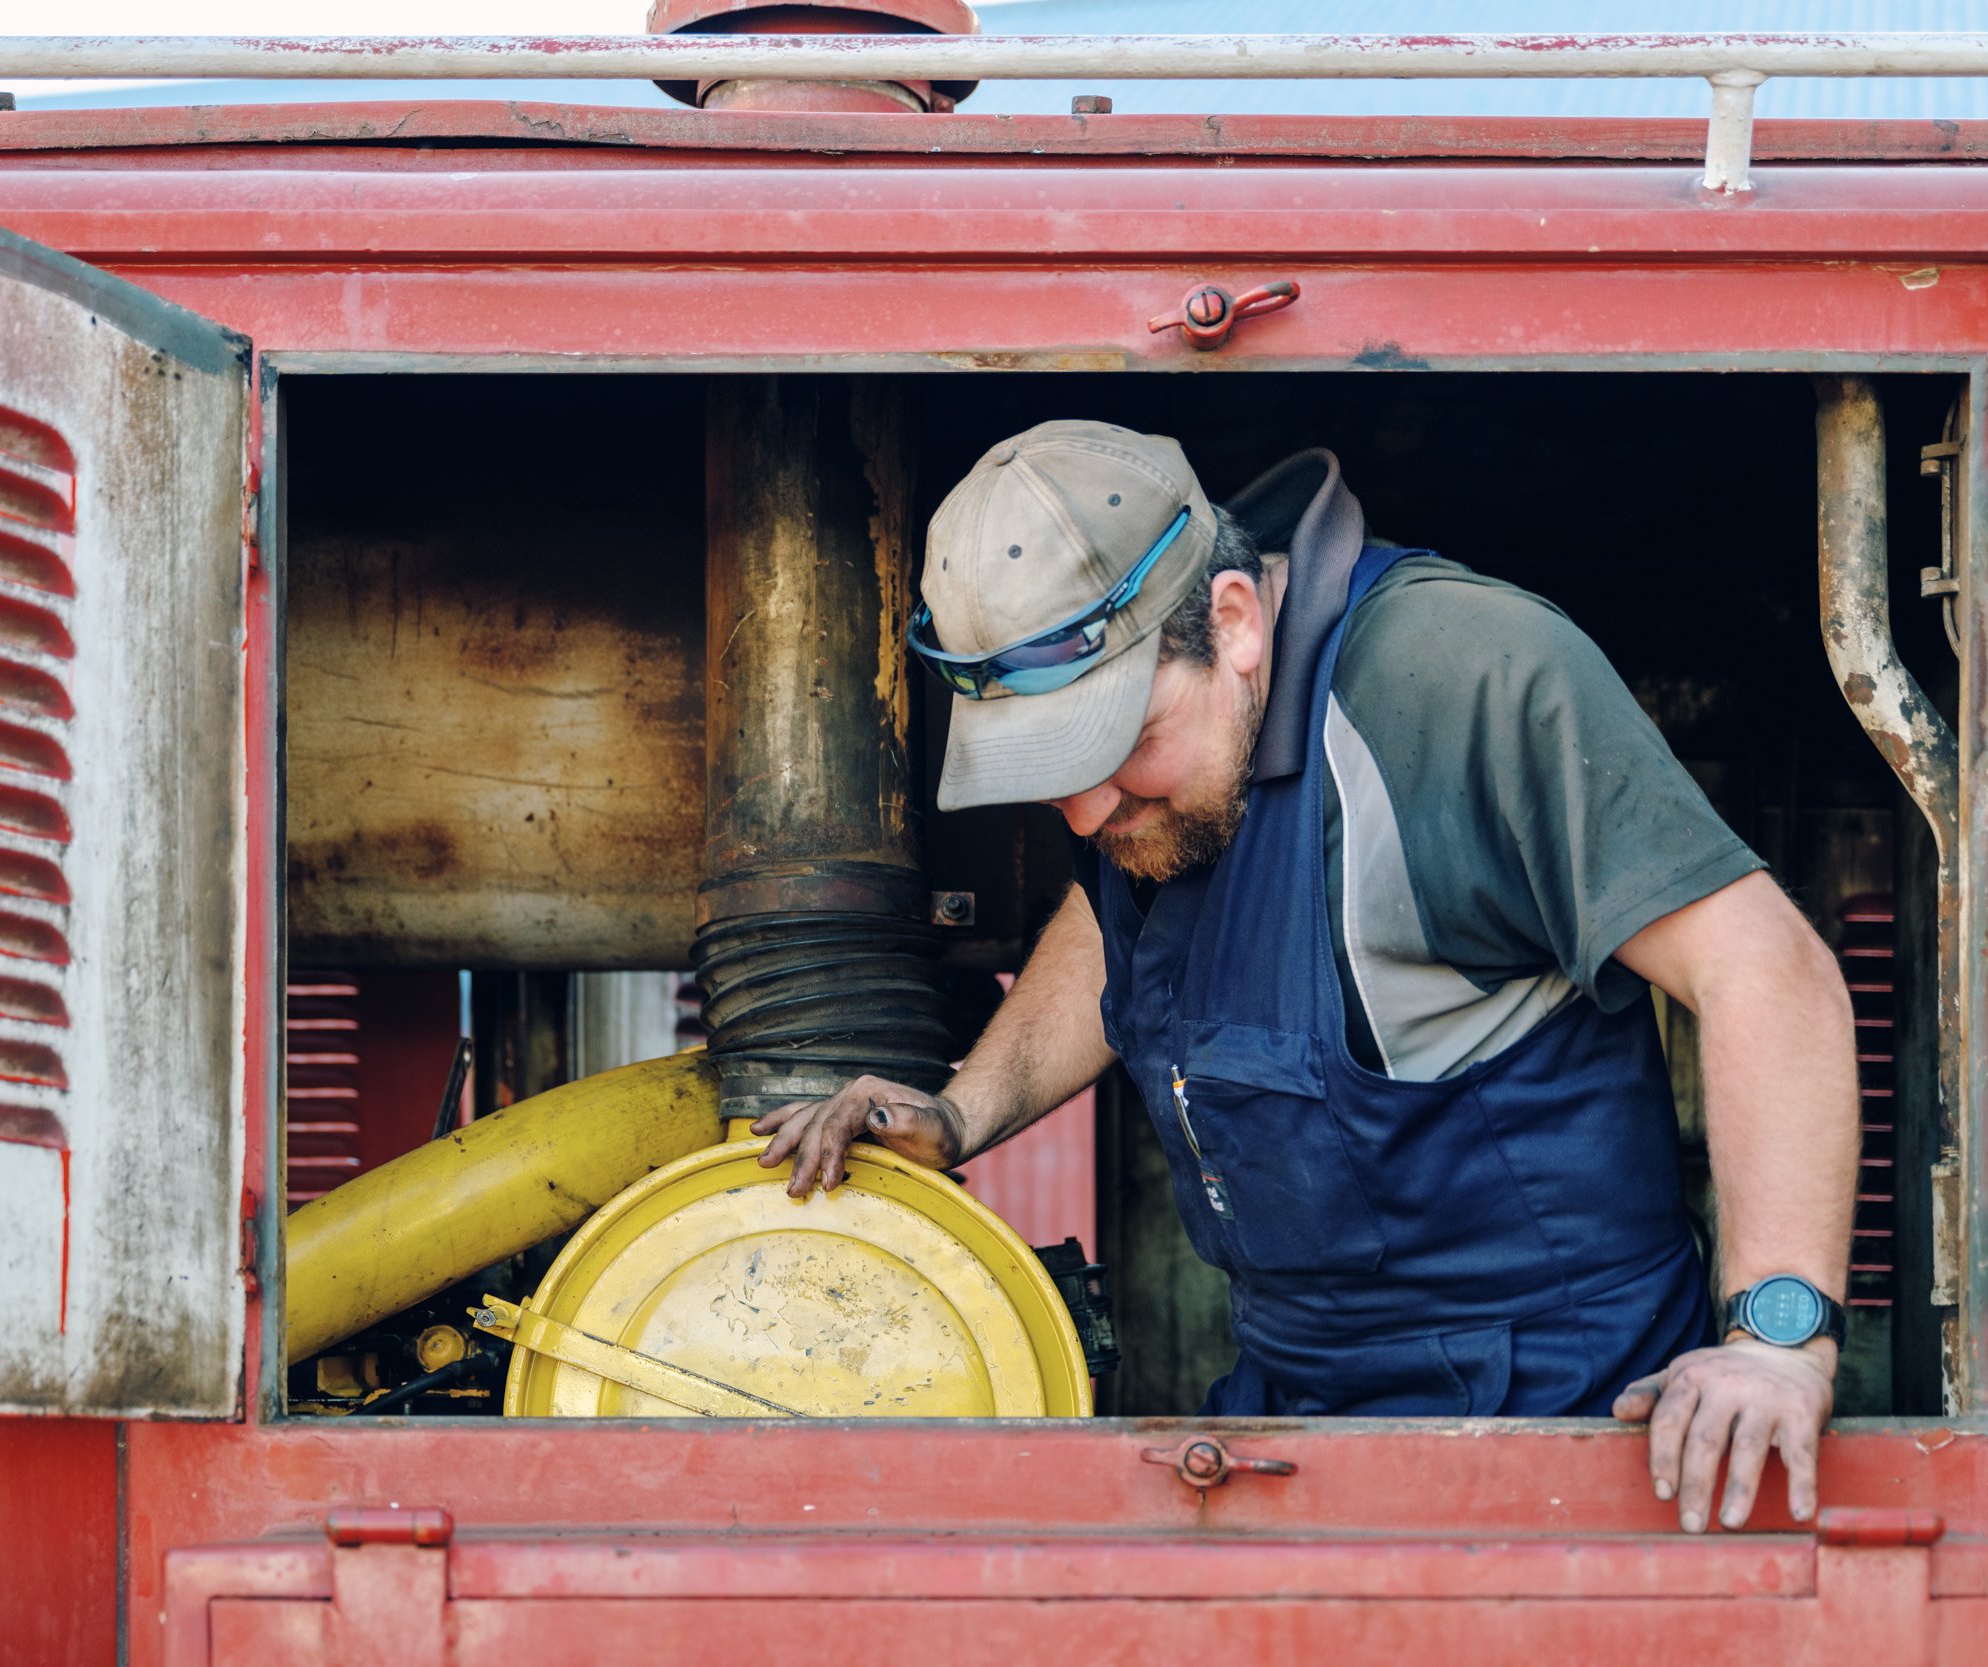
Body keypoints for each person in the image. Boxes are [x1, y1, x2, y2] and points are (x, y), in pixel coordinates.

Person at [755, 420, 1858, 1535]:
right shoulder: (1167, 771)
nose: (1089, 815)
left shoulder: (1456, 678)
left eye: (1112, 751)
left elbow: (1763, 966)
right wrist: (961, 1109)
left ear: (1232, 622)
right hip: (1293, 1411)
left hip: (1564, 1436)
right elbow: (1115, 912)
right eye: (1057, 780)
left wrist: (1775, 1339)